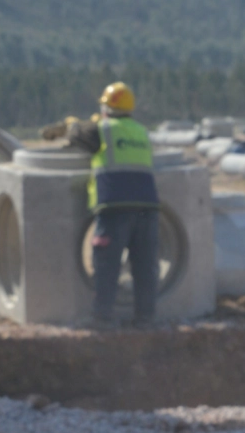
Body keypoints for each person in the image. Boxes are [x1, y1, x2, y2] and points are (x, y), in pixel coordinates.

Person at [41, 82, 160, 327]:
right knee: (145, 266)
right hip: (148, 207)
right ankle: (146, 318)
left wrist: (73, 123)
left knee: (106, 263)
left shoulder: (102, 129)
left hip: (114, 206)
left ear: (105, 107)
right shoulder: (141, 131)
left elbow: (77, 136)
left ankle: (103, 317)